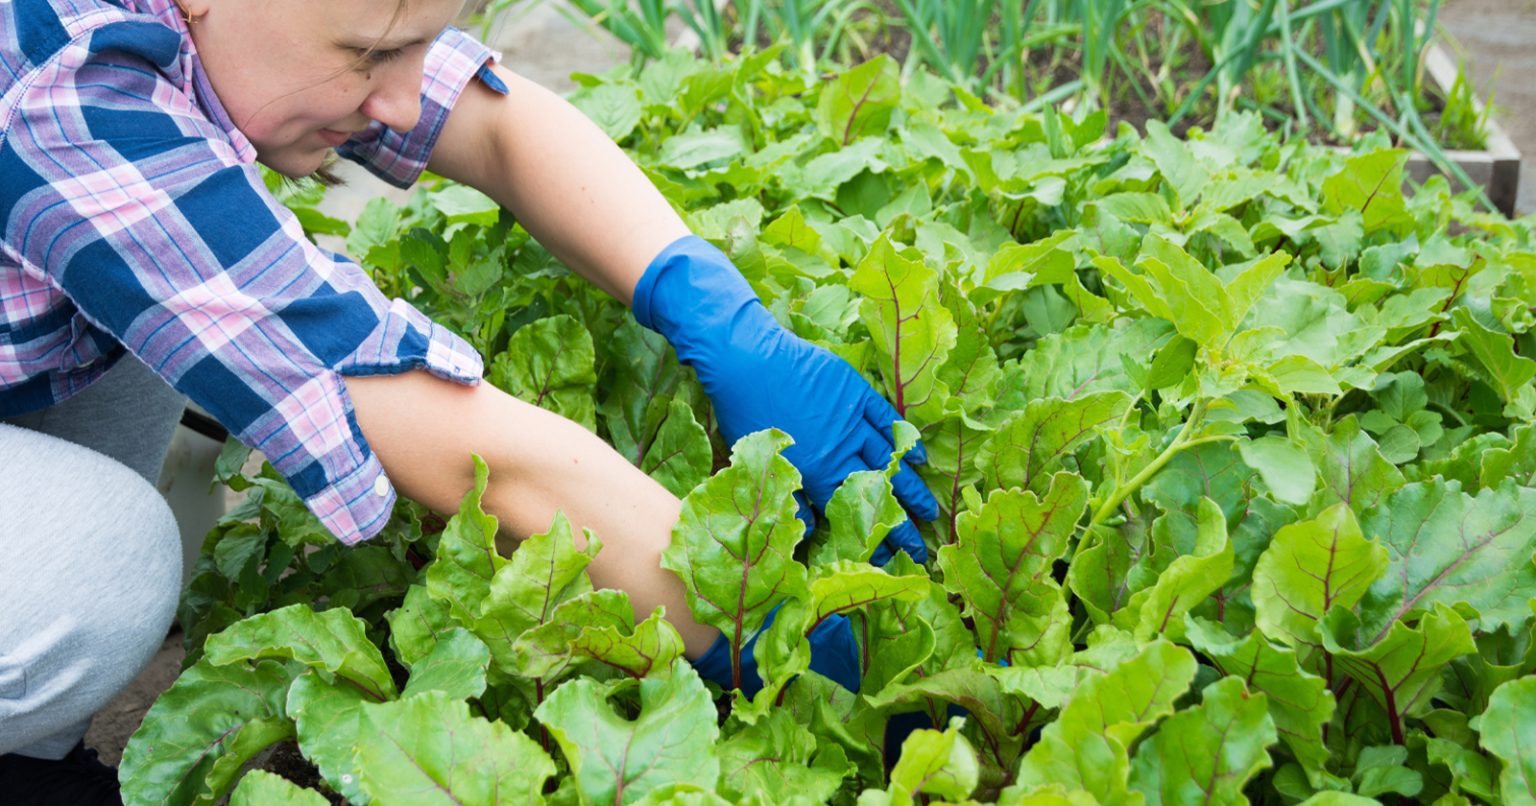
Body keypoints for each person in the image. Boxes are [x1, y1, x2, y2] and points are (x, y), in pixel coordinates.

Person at [0, 0, 940, 801]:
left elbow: (493, 122)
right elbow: (450, 437)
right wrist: (765, 623)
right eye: (370, 54)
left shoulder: (263, 23)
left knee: (167, 296)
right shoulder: (67, 93)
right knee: (105, 564)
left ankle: (30, 759)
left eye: (419, 41)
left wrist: (719, 313)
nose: (404, 97)